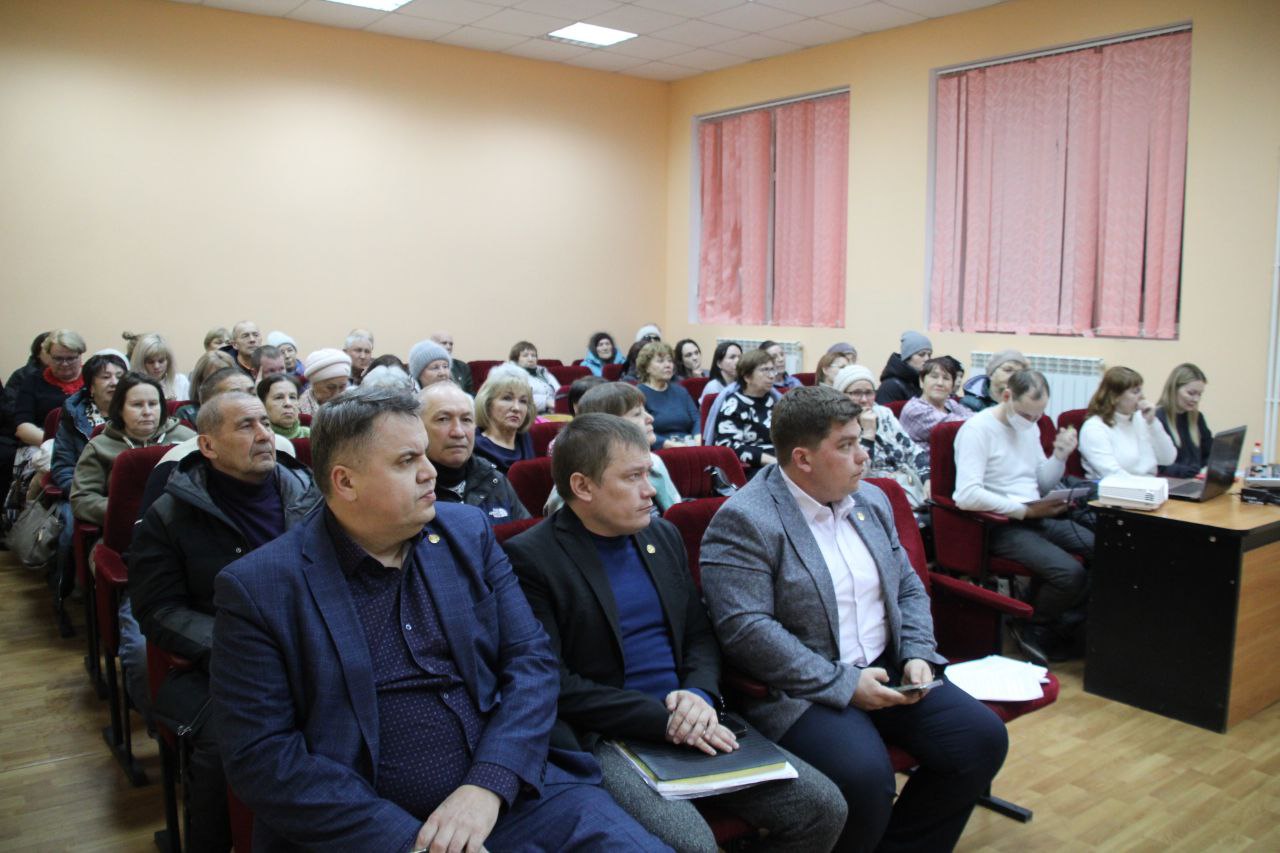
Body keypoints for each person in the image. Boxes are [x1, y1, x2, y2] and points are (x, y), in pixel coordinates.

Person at [208, 385, 666, 852]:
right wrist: (412, 842)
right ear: (345, 482)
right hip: (375, 828)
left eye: (424, 454)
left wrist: (489, 783)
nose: (430, 472)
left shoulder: (466, 532)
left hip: (516, 791)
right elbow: (263, 758)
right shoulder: (260, 588)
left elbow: (531, 662)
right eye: (407, 461)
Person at [506, 414, 846, 852]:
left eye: (648, 473)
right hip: (609, 733)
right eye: (633, 477)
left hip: (694, 715)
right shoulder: (532, 559)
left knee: (822, 808)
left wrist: (699, 695)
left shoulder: (662, 535)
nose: (650, 489)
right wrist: (664, 721)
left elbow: (699, 634)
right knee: (693, 846)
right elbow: (554, 682)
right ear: (583, 486)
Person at [700, 385, 1008, 853]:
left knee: (980, 740)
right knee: (864, 780)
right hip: (804, 688)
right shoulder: (746, 520)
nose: (863, 456)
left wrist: (918, 653)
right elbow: (747, 632)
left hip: (887, 665)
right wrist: (843, 683)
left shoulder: (870, 501)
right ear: (803, 458)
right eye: (846, 445)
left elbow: (907, 586)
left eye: (860, 440)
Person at [132, 391, 323, 853]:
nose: (264, 435)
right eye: (245, 426)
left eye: (265, 424)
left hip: (312, 650)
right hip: (221, 666)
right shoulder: (170, 514)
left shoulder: (310, 496)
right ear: (208, 445)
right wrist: (237, 644)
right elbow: (158, 610)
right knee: (227, 746)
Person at [953, 369, 1092, 665]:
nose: (1032, 421)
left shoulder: (1030, 426)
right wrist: (1024, 510)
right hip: (1000, 525)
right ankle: (1030, 623)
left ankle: (1061, 625)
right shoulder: (977, 430)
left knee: (1100, 548)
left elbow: (1040, 482)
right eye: (1027, 415)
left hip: (1034, 513)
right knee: (1069, 573)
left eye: (1038, 415)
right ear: (1007, 396)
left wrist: (1059, 457)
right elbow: (966, 495)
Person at [48, 350, 128, 628]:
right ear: (90, 386)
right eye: (106, 377)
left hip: (125, 497)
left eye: (120, 376)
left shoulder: (135, 413)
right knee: (70, 527)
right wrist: (84, 491)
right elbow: (61, 466)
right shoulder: (73, 417)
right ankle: (65, 591)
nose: (114, 382)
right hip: (82, 492)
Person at [70, 372, 193, 527]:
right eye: (137, 405)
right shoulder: (99, 446)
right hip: (123, 529)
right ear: (120, 409)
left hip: (181, 524)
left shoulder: (187, 439)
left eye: (153, 404)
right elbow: (82, 499)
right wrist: (129, 512)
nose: (147, 411)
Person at [544, 383, 681, 515]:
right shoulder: (579, 482)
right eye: (637, 414)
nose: (650, 418)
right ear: (607, 424)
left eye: (646, 411)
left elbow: (674, 514)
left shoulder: (654, 461)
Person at [420, 381, 530, 525]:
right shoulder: (410, 490)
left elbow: (525, 532)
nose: (458, 432)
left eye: (466, 420)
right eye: (443, 419)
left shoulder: (493, 479)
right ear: (418, 428)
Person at [832, 365, 931, 514]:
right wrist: (868, 434)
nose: (864, 400)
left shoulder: (884, 414)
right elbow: (856, 474)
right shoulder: (838, 425)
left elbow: (912, 449)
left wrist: (927, 478)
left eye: (869, 393)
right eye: (856, 393)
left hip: (909, 492)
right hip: (872, 500)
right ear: (841, 395)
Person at [1079, 366, 1177, 479]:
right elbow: (1112, 474)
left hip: (1148, 485)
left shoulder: (1142, 419)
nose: (1142, 397)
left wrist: (1152, 423)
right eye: (1135, 392)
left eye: (1141, 390)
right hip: (1117, 488)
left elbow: (1168, 459)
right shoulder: (1094, 428)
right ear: (1115, 397)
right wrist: (1147, 485)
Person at [710, 349, 780, 477]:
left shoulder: (776, 401)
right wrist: (773, 461)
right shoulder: (734, 404)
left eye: (772, 370)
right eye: (765, 370)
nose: (771, 376)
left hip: (781, 461)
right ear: (747, 377)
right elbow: (727, 446)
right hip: (753, 468)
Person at [473, 364, 536, 474]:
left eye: (523, 401)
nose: (516, 408)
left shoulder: (525, 439)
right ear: (488, 403)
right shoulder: (475, 448)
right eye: (507, 398)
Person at [636, 342, 700, 449]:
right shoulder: (638, 394)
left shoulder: (681, 391)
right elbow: (640, 430)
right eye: (660, 361)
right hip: (659, 449)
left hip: (688, 445)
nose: (668, 365)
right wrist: (671, 445)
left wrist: (697, 440)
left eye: (670, 361)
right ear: (646, 367)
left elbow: (697, 419)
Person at [1155, 363, 1212, 477]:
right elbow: (1156, 465)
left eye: (1199, 394)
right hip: (1170, 482)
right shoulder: (1157, 419)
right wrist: (1187, 472)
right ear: (1174, 389)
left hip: (1192, 479)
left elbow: (1209, 453)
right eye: (1191, 393)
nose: (1196, 399)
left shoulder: (1197, 418)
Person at [899, 356, 973, 444]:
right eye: (934, 377)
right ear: (921, 381)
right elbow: (962, 426)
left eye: (946, 378)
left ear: (952, 386)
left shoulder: (950, 403)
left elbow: (975, 418)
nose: (940, 383)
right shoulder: (916, 409)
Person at [177, 351, 236, 426]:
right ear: (200, 382)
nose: (222, 382)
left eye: (226, 376)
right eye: (215, 378)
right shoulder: (187, 413)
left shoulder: (243, 407)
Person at [960, 349, 1027, 412]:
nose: (1013, 376)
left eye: (1019, 373)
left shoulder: (1025, 403)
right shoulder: (970, 403)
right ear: (991, 374)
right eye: (1008, 370)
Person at [130, 332, 190, 402]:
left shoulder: (181, 381)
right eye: (150, 362)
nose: (156, 366)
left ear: (169, 360)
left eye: (161, 361)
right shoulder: (133, 386)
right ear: (141, 363)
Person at [876, 331, 932, 405]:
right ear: (907, 357)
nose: (927, 359)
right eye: (921, 354)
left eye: (929, 355)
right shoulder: (890, 386)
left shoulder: (914, 382)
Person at [508, 341, 558, 414]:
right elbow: (519, 399)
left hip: (553, 412)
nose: (530, 359)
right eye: (525, 356)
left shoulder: (544, 372)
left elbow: (559, 391)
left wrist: (558, 405)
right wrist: (547, 403)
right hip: (529, 415)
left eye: (533, 355)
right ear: (516, 360)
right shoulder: (511, 375)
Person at [298, 348, 352, 415]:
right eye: (330, 387)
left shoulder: (354, 407)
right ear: (314, 384)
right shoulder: (297, 412)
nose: (337, 395)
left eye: (342, 387)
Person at [257, 373, 308, 440]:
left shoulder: (313, 436)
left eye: (292, 397)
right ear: (263, 404)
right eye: (279, 397)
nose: (288, 403)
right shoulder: (258, 439)